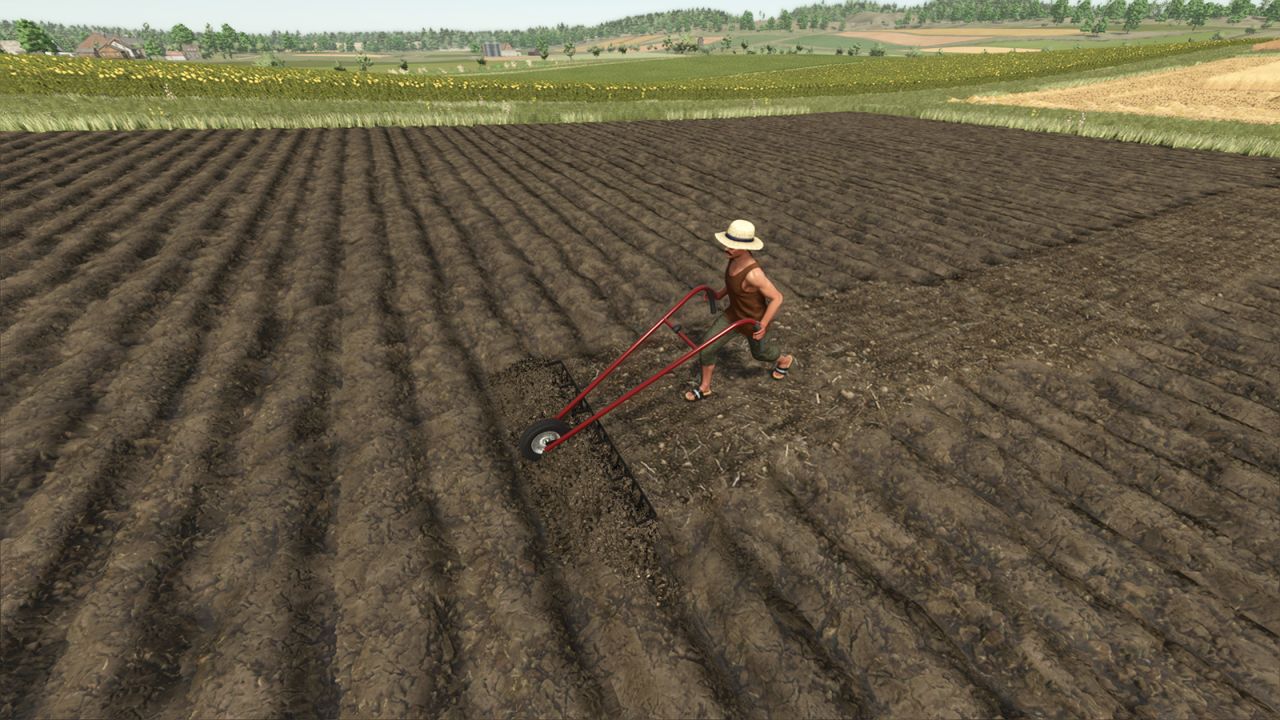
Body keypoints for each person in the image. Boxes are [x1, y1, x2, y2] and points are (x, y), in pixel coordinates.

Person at [684, 219, 794, 401]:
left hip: (752, 322)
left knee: (761, 354)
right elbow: (733, 285)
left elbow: (777, 297)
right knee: (707, 347)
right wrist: (719, 295)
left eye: (732, 246)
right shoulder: (733, 260)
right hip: (733, 315)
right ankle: (705, 387)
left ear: (745, 247)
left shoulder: (754, 274)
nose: (726, 248)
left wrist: (763, 324)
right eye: (727, 243)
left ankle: (783, 360)